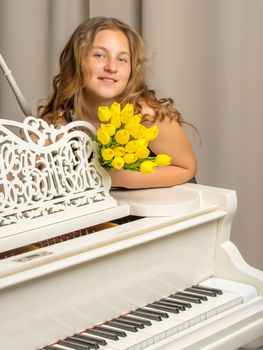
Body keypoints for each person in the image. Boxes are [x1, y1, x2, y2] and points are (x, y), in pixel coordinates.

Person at [38, 16, 197, 189]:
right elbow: (15, 175)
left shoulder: (147, 117)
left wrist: (122, 178)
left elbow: (187, 168)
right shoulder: (60, 118)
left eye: (122, 59)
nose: (112, 67)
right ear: (76, 61)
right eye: (99, 55)